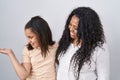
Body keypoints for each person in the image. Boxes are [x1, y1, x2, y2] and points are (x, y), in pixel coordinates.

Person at [55, 7, 110, 80]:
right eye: (70, 25)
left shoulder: (99, 48)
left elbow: (104, 77)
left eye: (75, 28)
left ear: (86, 30)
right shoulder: (65, 42)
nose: (71, 29)